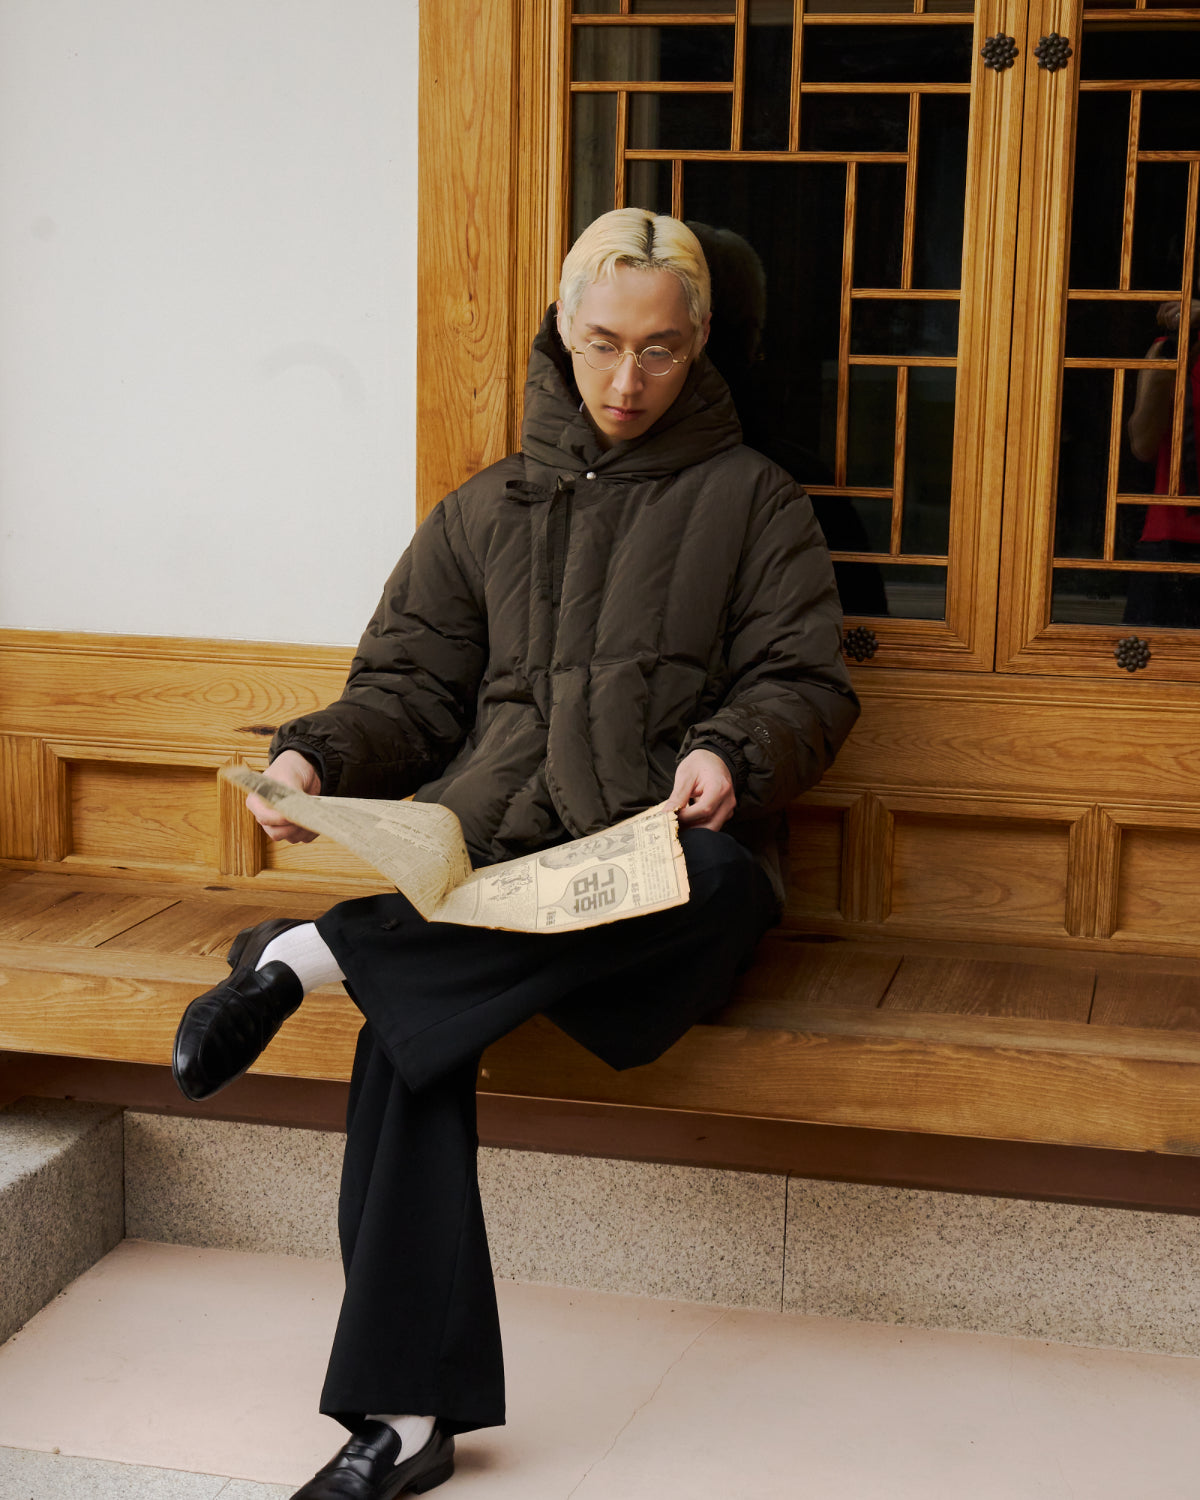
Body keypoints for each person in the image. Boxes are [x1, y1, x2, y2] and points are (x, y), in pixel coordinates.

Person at [172, 208, 859, 1500]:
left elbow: (804, 684)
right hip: (489, 888)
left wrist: (731, 750)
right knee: (410, 1027)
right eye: (602, 344)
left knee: (700, 883)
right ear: (562, 327)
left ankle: (310, 955)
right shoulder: (487, 509)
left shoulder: (752, 500)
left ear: (699, 341)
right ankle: (400, 1420)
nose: (626, 380)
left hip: (650, 909)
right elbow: (409, 689)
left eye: (659, 350)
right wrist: (314, 760)